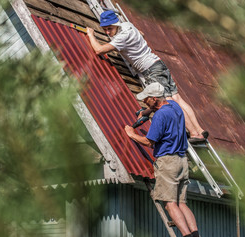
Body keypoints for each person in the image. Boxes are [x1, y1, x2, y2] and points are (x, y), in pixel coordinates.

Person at [87, 10, 208, 143]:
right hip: (158, 64)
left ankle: (194, 134)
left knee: (170, 103)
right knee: (177, 98)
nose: (107, 33)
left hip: (150, 70)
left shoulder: (122, 37)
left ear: (116, 24)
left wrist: (91, 34)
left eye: (109, 29)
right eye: (104, 30)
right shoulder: (128, 25)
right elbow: (142, 34)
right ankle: (200, 130)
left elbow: (98, 50)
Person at [124, 82, 202, 237]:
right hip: (182, 160)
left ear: (154, 98)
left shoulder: (160, 116)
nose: (144, 101)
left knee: (170, 203)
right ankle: (196, 236)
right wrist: (146, 112)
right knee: (182, 203)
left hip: (167, 162)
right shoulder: (174, 106)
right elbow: (156, 108)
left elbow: (149, 142)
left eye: (146, 99)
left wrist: (131, 133)